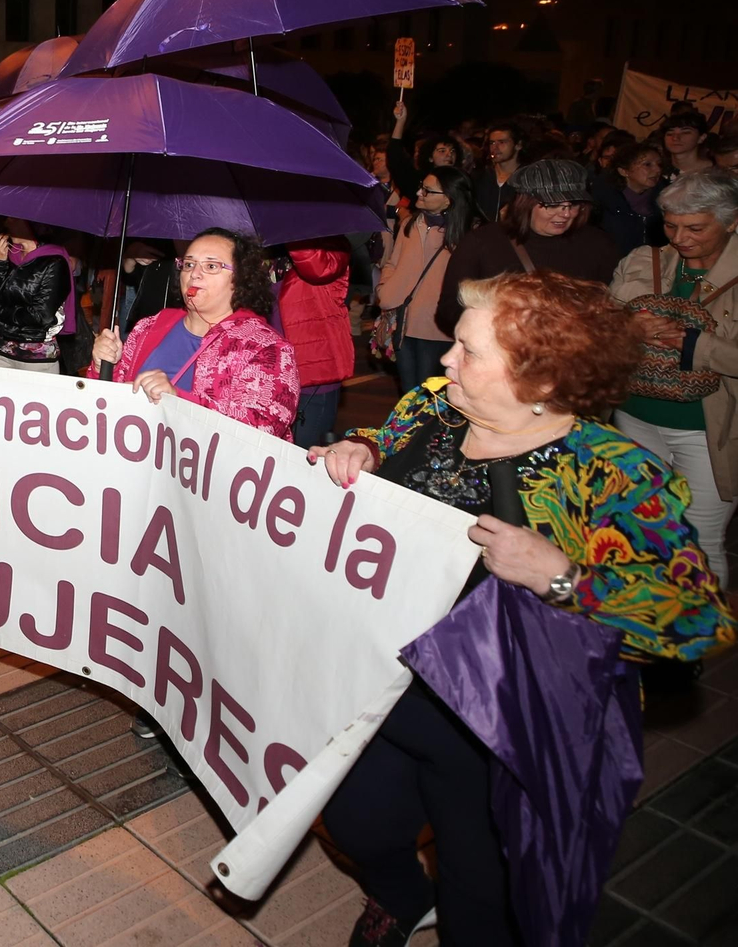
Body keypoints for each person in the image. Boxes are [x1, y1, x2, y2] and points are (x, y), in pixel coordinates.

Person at [309, 270, 732, 943]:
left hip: (495, 728)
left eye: (469, 351)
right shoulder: (432, 405)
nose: (446, 360)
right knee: (358, 825)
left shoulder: (613, 473)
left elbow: (695, 619)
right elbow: (387, 440)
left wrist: (561, 577)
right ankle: (401, 896)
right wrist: (362, 446)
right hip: (384, 688)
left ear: (540, 381)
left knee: (482, 904)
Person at [610, 170, 738, 584]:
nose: (680, 237)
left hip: (710, 432)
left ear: (732, 222)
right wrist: (626, 327)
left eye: (695, 228)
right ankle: (649, 615)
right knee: (639, 531)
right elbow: (597, 328)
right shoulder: (643, 260)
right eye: (671, 225)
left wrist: (695, 344)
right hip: (635, 416)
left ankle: (701, 625)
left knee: (698, 542)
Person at [90, 228, 300, 439]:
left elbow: (261, 432)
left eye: (211, 266)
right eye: (189, 264)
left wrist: (177, 402)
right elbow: (107, 407)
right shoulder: (150, 326)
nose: (194, 274)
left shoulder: (266, 348)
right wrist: (105, 367)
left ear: (241, 278)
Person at [434, 159, 620, 336]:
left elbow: (612, 306)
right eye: (553, 204)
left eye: (573, 205)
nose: (565, 214)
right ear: (525, 203)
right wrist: (505, 329)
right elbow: (450, 309)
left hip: (572, 353)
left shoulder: (598, 244)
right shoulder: (482, 242)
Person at [378, 168, 481, 392]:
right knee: (408, 394)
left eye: (427, 190)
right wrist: (384, 289)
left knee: (430, 394)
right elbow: (392, 263)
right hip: (403, 322)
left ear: (448, 199)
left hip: (436, 327)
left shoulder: (469, 234)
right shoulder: (410, 224)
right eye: (421, 187)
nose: (419, 193)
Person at [279, 238, 354, 448]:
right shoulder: (270, 252)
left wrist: (291, 225)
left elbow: (316, 268)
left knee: (304, 452)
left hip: (313, 375)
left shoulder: (334, 247)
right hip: (275, 373)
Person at [0, 221, 73, 373]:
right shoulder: (9, 254)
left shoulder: (54, 261)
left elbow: (41, 316)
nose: (6, 222)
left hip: (36, 357)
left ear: (31, 223)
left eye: (12, 218)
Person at [592, 142, 666, 257]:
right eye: (647, 164)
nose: (657, 170)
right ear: (624, 171)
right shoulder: (604, 200)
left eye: (659, 164)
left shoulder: (666, 198)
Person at [471, 120, 524, 222]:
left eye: (502, 142)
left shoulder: (527, 179)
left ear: (518, 145)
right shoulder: (479, 176)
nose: (495, 147)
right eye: (492, 143)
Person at [663, 109, 716, 178]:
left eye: (685, 133)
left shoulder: (715, 172)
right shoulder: (658, 170)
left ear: (701, 138)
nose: (675, 138)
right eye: (670, 133)